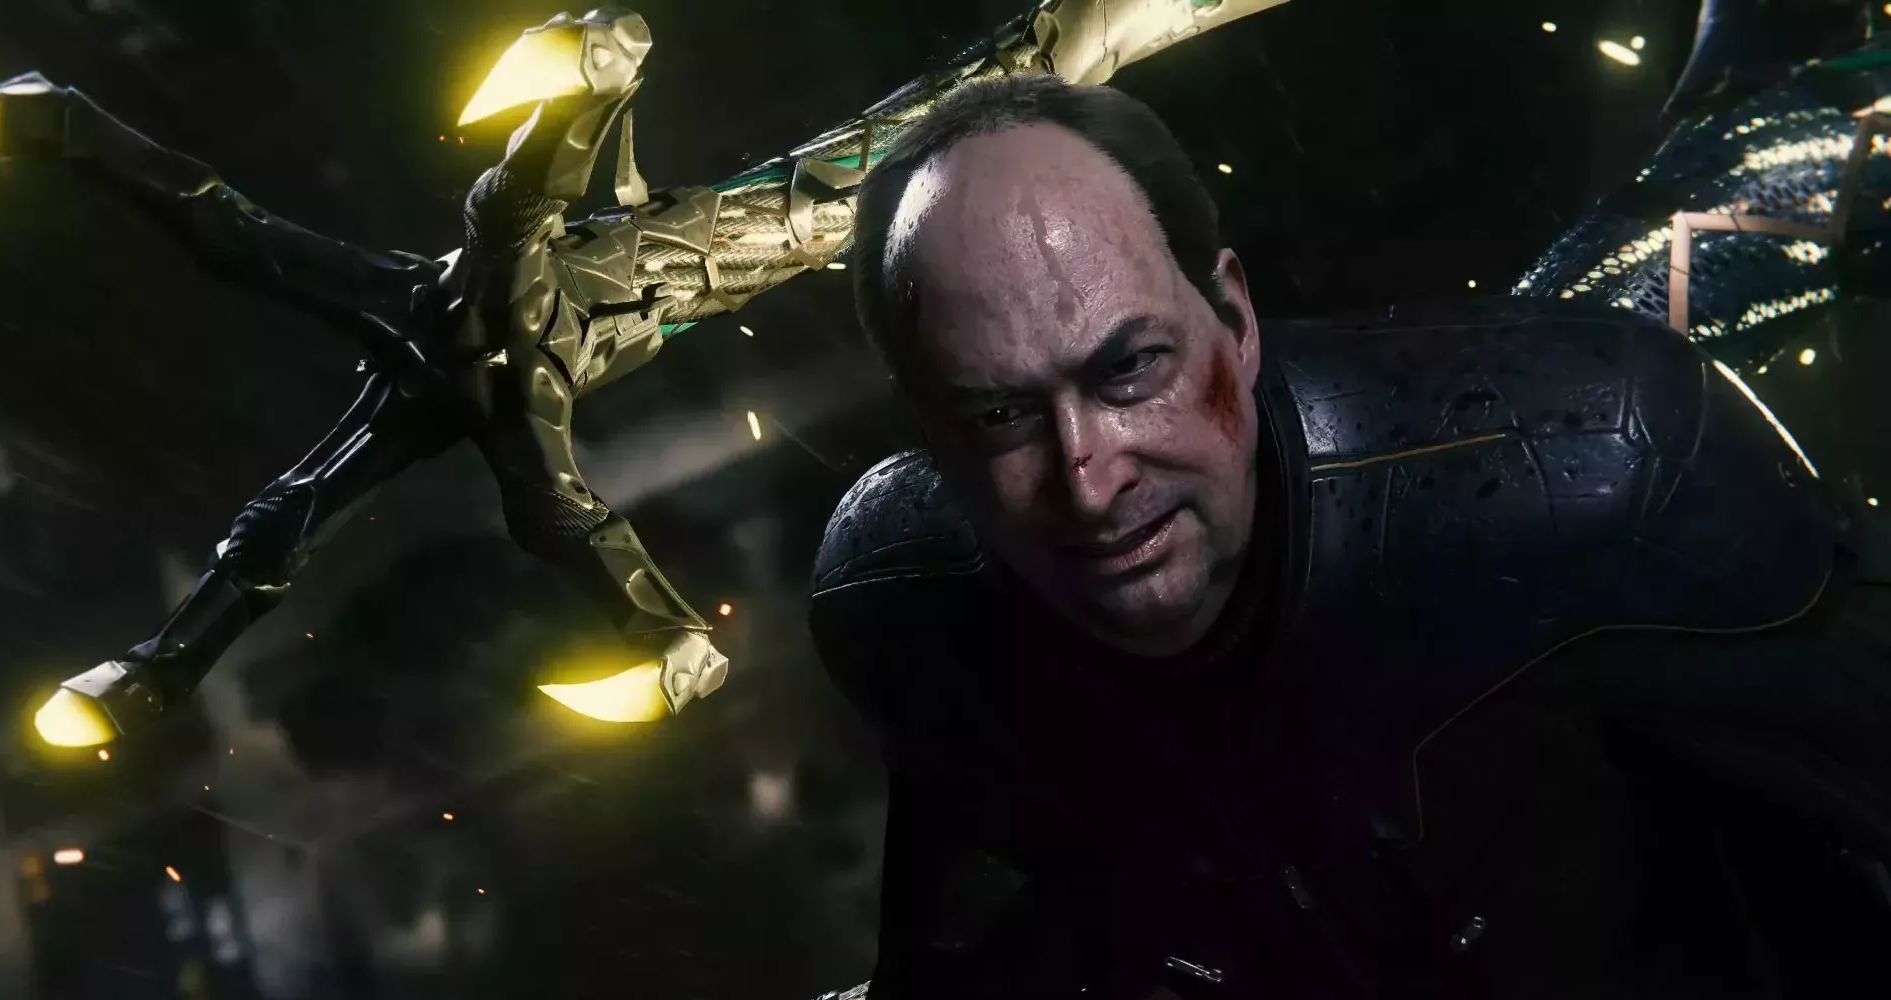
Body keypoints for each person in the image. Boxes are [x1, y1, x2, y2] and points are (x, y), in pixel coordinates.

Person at [810, 73, 1891, 999]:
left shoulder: (1587, 477)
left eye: (1130, 368)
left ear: (1234, 322)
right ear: (932, 440)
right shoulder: (910, 606)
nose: (1089, 482)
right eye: (1000, 415)